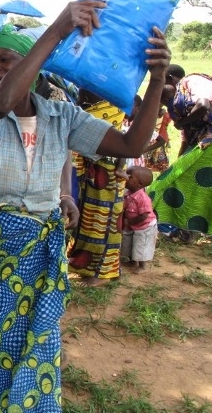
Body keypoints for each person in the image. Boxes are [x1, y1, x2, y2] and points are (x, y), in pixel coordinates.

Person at [0, 0, 169, 412]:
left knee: (35, 346)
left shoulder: (62, 116)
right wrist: (58, 30)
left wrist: (156, 81)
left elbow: (131, 143)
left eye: (5, 59)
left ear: (33, 66)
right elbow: (3, 102)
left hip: (36, 257)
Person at [149, 64, 212, 245]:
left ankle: (205, 231)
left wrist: (182, 123)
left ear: (170, 78)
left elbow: (203, 105)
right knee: (186, 179)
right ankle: (196, 230)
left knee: (200, 182)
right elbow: (186, 135)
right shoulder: (178, 99)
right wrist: (180, 158)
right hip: (208, 139)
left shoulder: (192, 81)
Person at [67, 89, 127, 287]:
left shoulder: (110, 108)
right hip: (92, 173)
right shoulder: (89, 106)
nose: (80, 95)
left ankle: (103, 272)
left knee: (103, 222)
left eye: (84, 94)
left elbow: (122, 142)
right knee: (88, 220)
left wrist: (119, 168)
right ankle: (87, 266)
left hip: (107, 174)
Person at [121, 166, 157, 273]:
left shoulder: (142, 198)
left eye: (129, 177)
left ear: (140, 183)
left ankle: (142, 266)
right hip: (133, 225)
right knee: (130, 242)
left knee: (141, 244)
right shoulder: (128, 193)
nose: (125, 177)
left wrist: (130, 221)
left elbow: (144, 216)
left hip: (145, 227)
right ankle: (132, 261)